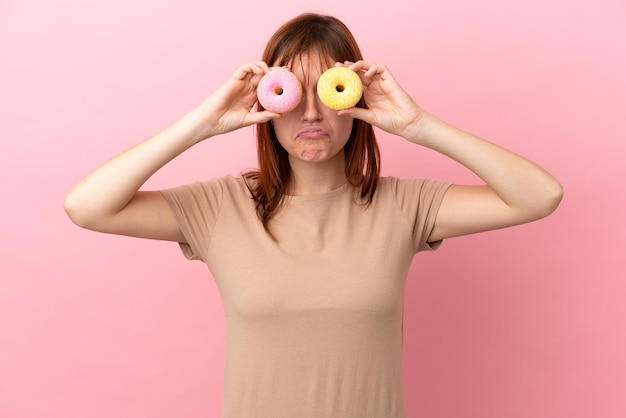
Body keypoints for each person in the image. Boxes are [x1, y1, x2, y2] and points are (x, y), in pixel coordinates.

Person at [64, 13, 563, 418]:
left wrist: (418, 125)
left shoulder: (405, 206)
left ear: (355, 99)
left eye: (328, 92)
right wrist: (202, 124)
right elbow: (86, 207)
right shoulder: (220, 208)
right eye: (292, 93)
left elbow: (539, 196)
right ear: (267, 102)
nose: (310, 116)